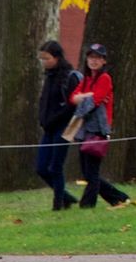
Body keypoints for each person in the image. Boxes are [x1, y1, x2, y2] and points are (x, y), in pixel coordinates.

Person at [69, 43, 129, 208]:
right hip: (84, 130)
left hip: (97, 130)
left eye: (98, 58)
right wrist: (87, 96)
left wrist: (84, 97)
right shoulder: (86, 79)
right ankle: (118, 197)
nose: (94, 61)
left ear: (104, 61)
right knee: (87, 171)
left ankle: (88, 204)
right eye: (91, 57)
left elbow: (93, 102)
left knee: (92, 171)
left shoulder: (105, 78)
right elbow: (73, 98)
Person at [35, 40, 79, 210]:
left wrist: (55, 118)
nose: (44, 62)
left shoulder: (68, 77)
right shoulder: (48, 77)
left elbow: (71, 106)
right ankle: (66, 197)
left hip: (63, 127)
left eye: (46, 58)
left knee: (56, 166)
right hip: (48, 128)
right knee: (41, 167)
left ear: (56, 57)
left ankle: (59, 202)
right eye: (42, 59)